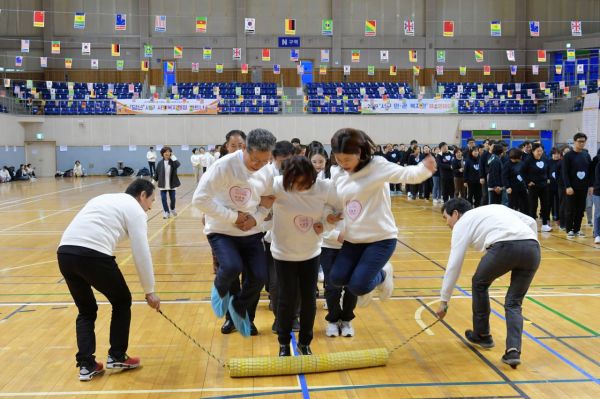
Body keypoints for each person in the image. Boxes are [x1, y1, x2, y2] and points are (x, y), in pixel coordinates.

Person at [57, 179, 161, 381]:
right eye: (152, 200)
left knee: (86, 310)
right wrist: (150, 291)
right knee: (122, 301)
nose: (151, 206)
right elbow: (141, 251)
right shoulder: (136, 209)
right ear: (142, 195)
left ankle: (86, 366)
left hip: (65, 253)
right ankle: (117, 355)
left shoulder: (104, 198)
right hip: (92, 255)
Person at [329, 128, 436, 307]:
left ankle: (384, 273)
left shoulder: (376, 165)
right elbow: (334, 197)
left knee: (358, 286)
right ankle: (368, 276)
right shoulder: (337, 172)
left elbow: (406, 174)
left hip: (380, 239)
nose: (343, 163)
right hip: (353, 239)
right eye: (339, 159)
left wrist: (424, 169)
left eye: (347, 159)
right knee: (337, 278)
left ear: (360, 152)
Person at [435, 198, 540, 367]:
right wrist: (528, 242)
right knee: (513, 303)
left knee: (479, 283)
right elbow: (531, 221)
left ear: (455, 214)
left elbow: (454, 264)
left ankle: (482, 335)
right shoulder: (494, 208)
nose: (447, 224)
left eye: (446, 218)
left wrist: (444, 300)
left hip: (504, 248)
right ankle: (513, 351)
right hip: (533, 248)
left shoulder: (463, 223)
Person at [193, 128, 276, 337]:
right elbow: (200, 199)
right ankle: (221, 292)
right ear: (246, 149)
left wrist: (254, 219)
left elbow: (267, 201)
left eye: (264, 161)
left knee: (258, 276)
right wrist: (234, 217)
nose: (258, 166)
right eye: (255, 160)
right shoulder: (223, 166)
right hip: (222, 231)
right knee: (231, 267)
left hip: (252, 232)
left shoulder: (267, 170)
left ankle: (240, 310)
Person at [270, 156, 338, 356]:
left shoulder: (324, 187)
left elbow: (341, 210)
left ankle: (305, 342)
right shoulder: (276, 185)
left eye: (306, 182)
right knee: (286, 299)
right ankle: (283, 343)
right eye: (297, 182)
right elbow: (255, 201)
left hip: (311, 252)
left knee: (309, 299)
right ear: (288, 178)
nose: (302, 186)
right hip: (283, 254)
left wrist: (327, 224)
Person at [562, 133, 593, 238]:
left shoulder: (586, 155)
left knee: (580, 209)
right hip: (571, 188)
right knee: (570, 209)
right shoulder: (568, 156)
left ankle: (577, 229)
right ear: (574, 142)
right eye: (579, 141)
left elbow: (590, 171)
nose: (581, 143)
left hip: (583, 187)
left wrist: (590, 185)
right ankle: (569, 229)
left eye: (583, 141)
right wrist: (568, 186)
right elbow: (564, 172)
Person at [521, 143, 551, 232]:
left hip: (544, 186)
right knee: (533, 205)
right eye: (538, 151)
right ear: (533, 151)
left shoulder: (545, 159)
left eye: (541, 151)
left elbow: (548, 169)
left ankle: (545, 224)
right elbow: (521, 172)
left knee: (545, 204)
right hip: (533, 186)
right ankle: (532, 224)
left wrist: (548, 178)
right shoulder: (528, 160)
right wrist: (527, 181)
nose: (540, 153)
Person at [154, 146, 181, 219]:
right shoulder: (160, 163)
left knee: (173, 199)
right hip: (163, 184)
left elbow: (178, 165)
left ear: (171, 153)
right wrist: (153, 181)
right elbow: (156, 173)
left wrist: (173, 156)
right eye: (165, 152)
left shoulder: (173, 162)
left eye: (169, 151)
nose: (167, 153)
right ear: (162, 153)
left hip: (172, 184)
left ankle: (172, 208)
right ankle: (166, 212)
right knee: (163, 199)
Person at [503, 149, 529, 214]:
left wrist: (526, 185)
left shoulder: (521, 163)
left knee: (525, 204)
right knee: (512, 205)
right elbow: (504, 176)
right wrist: (507, 186)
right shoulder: (507, 164)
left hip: (522, 187)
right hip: (512, 188)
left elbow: (525, 174)